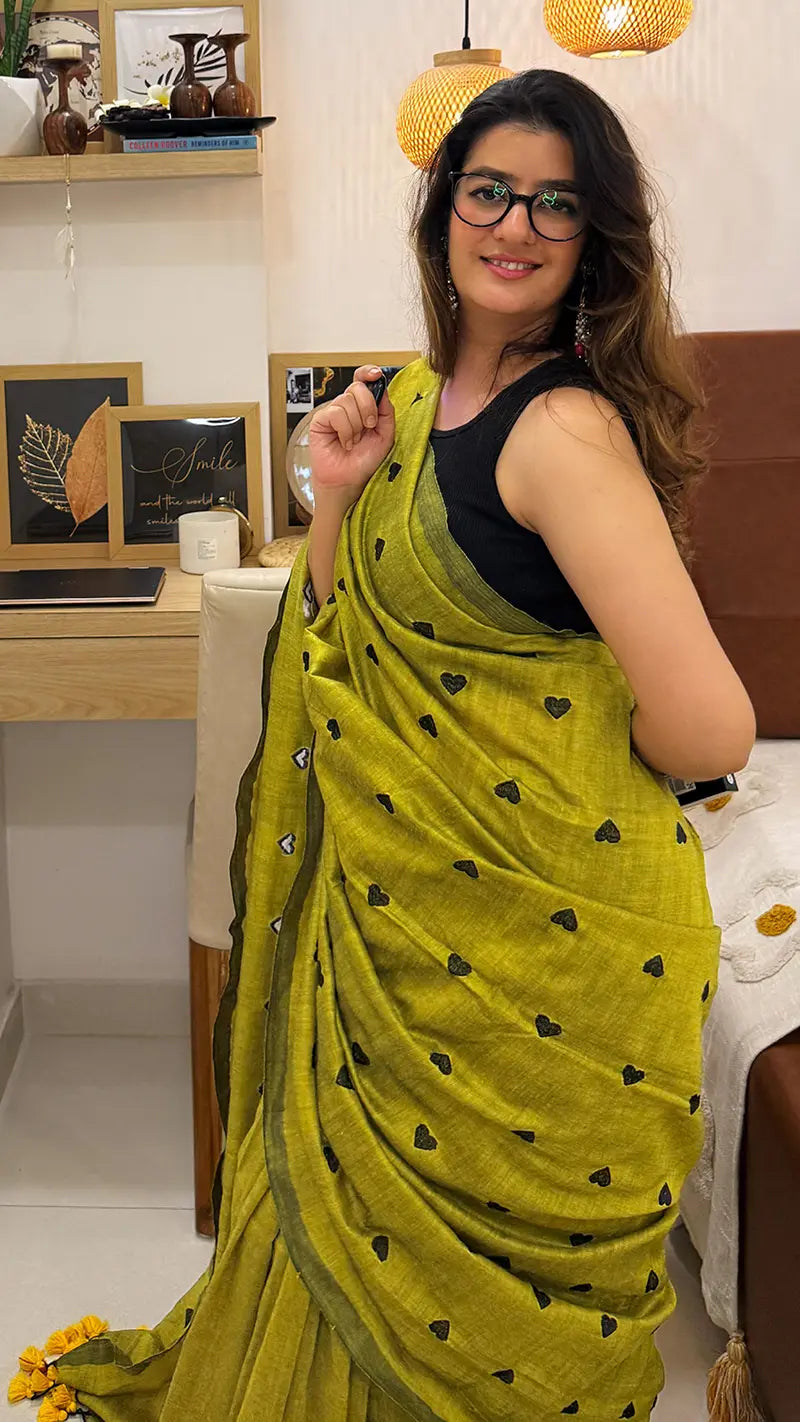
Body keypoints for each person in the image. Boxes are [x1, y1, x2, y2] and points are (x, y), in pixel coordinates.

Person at [12, 68, 756, 1422]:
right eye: (490, 190)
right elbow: (344, 641)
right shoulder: (408, 402)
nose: (515, 224)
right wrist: (338, 498)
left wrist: (550, 751)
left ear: (595, 241)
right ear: (442, 208)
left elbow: (712, 725)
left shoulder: (563, 430)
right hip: (390, 928)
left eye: (556, 203)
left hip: (536, 935)